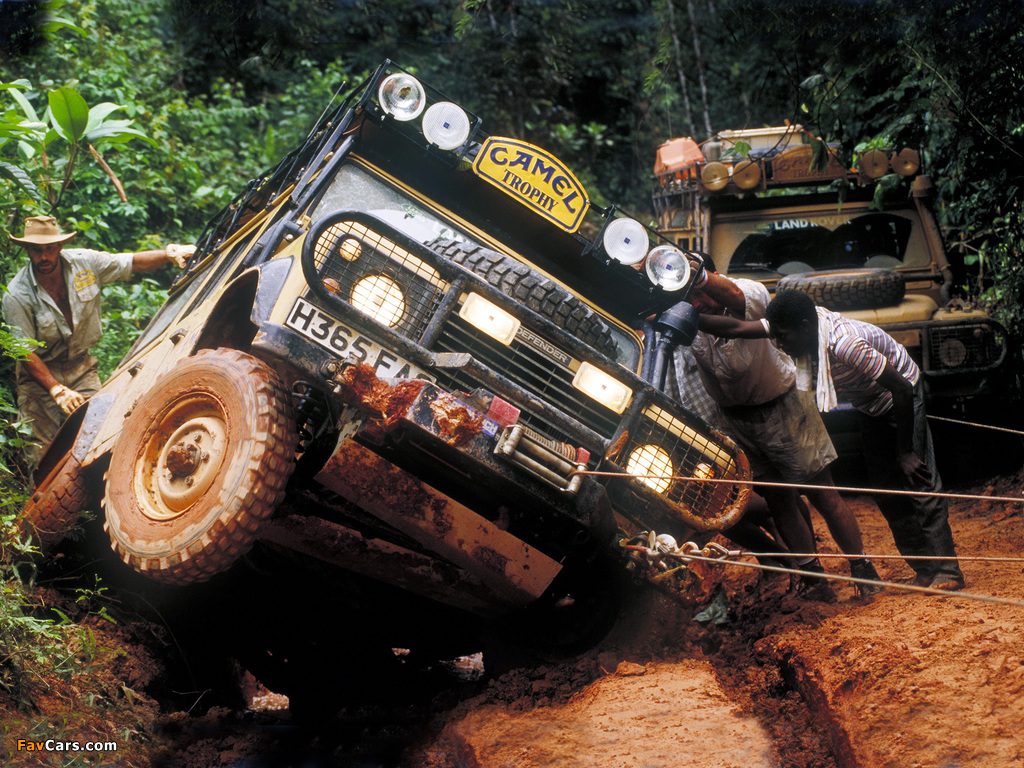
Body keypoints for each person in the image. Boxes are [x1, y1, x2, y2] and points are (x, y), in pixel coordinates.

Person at [681, 253, 882, 599]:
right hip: (736, 420)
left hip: (784, 407)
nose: (696, 302)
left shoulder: (748, 294)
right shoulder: (687, 312)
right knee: (779, 501)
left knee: (823, 494)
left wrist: (694, 279)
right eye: (689, 297)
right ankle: (814, 581)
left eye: (699, 291)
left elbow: (735, 301)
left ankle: (863, 570)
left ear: (713, 277)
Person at [761, 289, 965, 592]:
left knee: (919, 480)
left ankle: (948, 571)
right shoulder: (807, 334)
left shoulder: (844, 344)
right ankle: (925, 568)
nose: (779, 344)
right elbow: (747, 328)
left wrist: (905, 452)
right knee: (884, 488)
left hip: (902, 395)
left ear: (804, 328)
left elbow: (902, 389)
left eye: (782, 336)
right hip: (870, 405)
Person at [3, 215, 194, 468]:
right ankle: (38, 491)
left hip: (80, 366)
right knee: (40, 452)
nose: (44, 257)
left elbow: (129, 262)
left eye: (49, 248)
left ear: (60, 246)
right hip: (39, 375)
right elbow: (24, 351)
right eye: (37, 250)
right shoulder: (17, 294)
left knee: (104, 431)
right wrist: (56, 389)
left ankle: (98, 487)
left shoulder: (84, 262)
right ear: (27, 250)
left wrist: (170, 254)